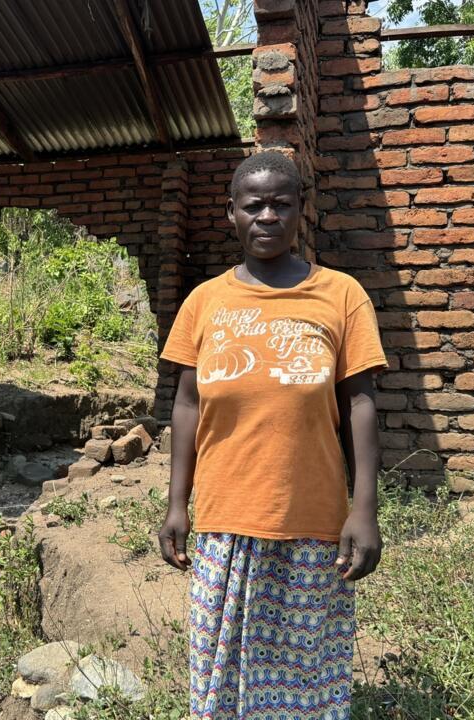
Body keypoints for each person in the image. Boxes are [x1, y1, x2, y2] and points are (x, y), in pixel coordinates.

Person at [157, 151, 388, 719]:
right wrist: (176, 504)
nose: (266, 216)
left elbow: (360, 404)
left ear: (299, 211)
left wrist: (364, 512)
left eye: (280, 204)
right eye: (252, 205)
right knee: (219, 671)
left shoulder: (340, 296)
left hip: (309, 516)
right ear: (231, 213)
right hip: (223, 514)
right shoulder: (205, 302)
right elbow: (186, 405)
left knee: (304, 670)